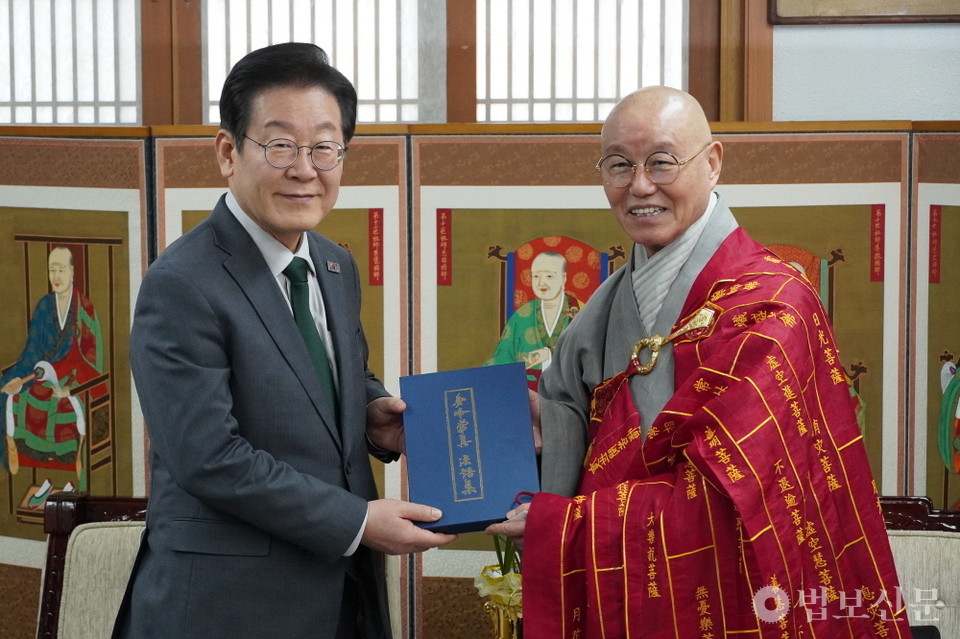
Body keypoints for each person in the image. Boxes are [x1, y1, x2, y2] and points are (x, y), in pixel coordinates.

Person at [487, 87, 907, 637]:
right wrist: (549, 425)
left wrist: (558, 525)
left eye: (662, 161)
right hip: (622, 593)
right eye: (618, 165)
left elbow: (729, 495)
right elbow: (592, 447)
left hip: (739, 595)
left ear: (712, 164)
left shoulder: (773, 303)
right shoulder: (605, 307)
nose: (640, 186)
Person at [113, 43, 456, 639]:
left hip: (343, 594)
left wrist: (371, 410)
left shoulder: (333, 264)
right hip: (229, 607)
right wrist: (358, 521)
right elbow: (209, 458)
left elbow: (325, 376)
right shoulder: (181, 283)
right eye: (280, 145)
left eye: (325, 146)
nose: (306, 168)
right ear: (228, 152)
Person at [2, 246, 104, 496]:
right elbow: (32, 350)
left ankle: (70, 481)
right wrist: (18, 377)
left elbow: (92, 358)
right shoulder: (44, 306)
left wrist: (70, 386)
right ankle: (24, 466)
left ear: (72, 271)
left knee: (59, 402)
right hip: (41, 373)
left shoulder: (85, 310)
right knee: (12, 393)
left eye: (61, 269)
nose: (56, 276)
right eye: (51, 270)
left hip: (77, 376)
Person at [485, 251, 581, 384]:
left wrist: (549, 356)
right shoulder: (521, 315)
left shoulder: (582, 311)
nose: (541, 283)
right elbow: (502, 358)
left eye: (549, 276)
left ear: (563, 278)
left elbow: (592, 358)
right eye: (536, 276)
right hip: (526, 394)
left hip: (570, 395)